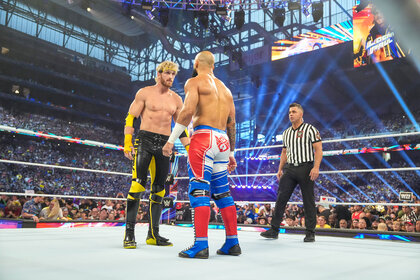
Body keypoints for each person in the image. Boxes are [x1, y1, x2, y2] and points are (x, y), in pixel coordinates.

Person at [162, 51, 240, 259]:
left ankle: (201, 245)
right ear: (213, 66)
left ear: (196, 63)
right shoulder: (226, 89)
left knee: (199, 191)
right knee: (223, 193)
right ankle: (233, 243)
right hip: (223, 140)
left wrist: (171, 140)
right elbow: (232, 122)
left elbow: (187, 111)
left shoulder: (194, 81)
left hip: (204, 138)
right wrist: (231, 152)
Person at [123, 61, 190, 249]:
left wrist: (190, 150)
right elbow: (130, 118)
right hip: (144, 140)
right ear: (159, 73)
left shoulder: (177, 99)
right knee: (137, 185)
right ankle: (129, 235)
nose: (170, 77)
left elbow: (181, 127)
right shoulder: (144, 93)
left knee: (159, 189)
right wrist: (128, 143)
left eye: (173, 74)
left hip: (165, 144)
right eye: (167, 73)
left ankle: (153, 234)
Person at [260, 103, 322, 242]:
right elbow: (284, 152)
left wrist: (316, 167)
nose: (291, 114)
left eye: (294, 111)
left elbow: (318, 149)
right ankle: (274, 230)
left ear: (301, 114)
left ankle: (310, 232)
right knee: (281, 198)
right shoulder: (286, 133)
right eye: (289, 112)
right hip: (290, 168)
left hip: (306, 167)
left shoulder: (310, 129)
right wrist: (280, 169)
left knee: (308, 200)